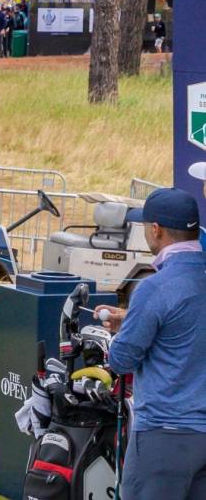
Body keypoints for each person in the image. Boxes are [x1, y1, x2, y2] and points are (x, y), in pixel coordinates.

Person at [92, 186, 206, 500]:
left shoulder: (153, 288)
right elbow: (187, 328)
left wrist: (121, 333)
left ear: (155, 230)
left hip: (165, 435)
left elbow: (122, 360)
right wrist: (134, 320)